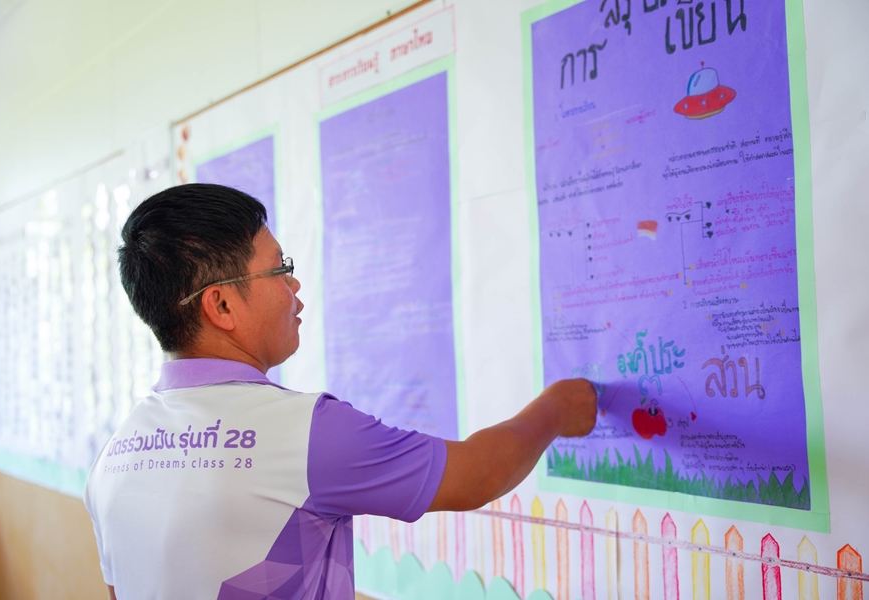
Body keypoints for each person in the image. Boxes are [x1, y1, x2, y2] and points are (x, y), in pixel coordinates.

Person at [84, 183, 597, 600]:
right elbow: (475, 476)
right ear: (221, 306)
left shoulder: (114, 454)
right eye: (280, 269)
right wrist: (557, 409)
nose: (294, 287)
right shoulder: (302, 432)